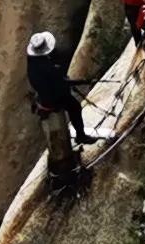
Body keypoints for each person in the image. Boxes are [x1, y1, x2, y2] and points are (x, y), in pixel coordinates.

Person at [24, 30, 96, 160]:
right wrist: (83, 82)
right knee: (74, 106)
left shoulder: (32, 63)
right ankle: (81, 135)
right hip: (53, 99)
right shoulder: (46, 65)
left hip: (43, 97)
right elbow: (61, 82)